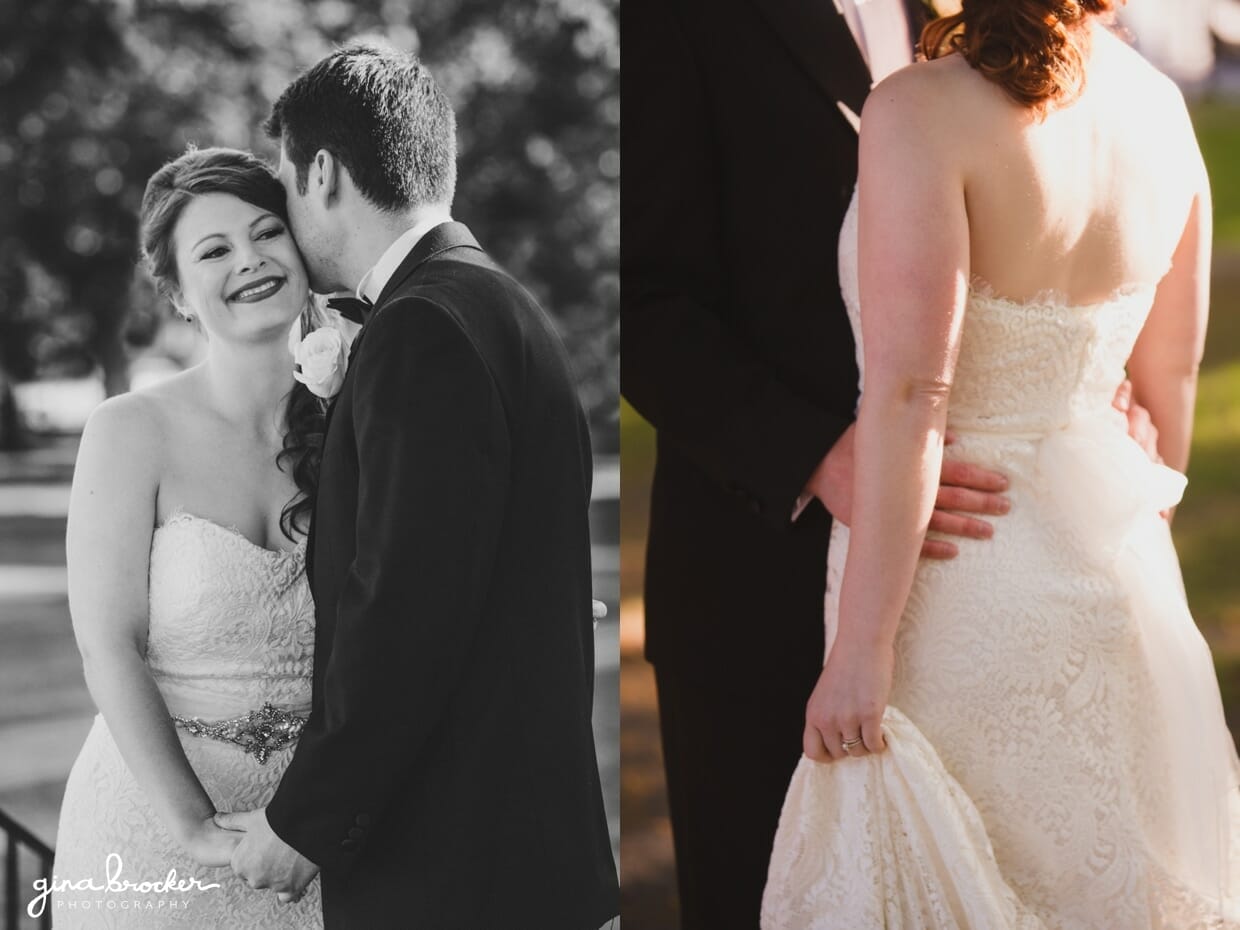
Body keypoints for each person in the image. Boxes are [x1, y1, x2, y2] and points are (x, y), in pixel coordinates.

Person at [764, 2, 1240, 926]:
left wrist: (860, 652)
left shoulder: (920, 110)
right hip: (1126, 576)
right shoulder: (1159, 109)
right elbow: (1169, 376)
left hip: (957, 587)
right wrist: (1143, 528)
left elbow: (912, 396)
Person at [213, 43, 620, 929]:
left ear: (322, 172)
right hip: (521, 857)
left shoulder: (420, 331)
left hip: (456, 872)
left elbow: (406, 605)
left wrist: (308, 820)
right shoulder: (498, 302)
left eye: (284, 181)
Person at [53, 146, 328, 927]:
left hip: (315, 833)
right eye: (215, 250)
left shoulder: (365, 423)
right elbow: (109, 645)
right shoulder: (129, 430)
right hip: (152, 833)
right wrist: (191, 827)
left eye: (268, 232)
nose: (251, 259)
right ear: (177, 294)